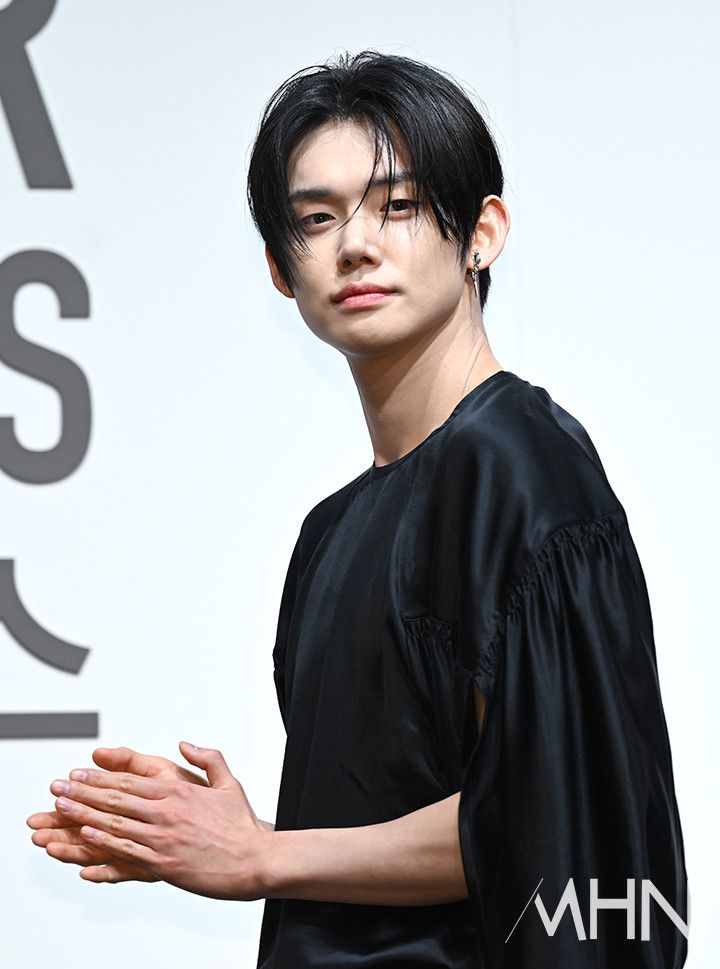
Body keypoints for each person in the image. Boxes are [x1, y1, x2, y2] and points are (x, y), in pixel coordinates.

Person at [26, 50, 689, 968]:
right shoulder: (328, 533)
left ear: (483, 232)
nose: (356, 244)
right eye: (317, 217)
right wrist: (225, 840)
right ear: (279, 268)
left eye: (399, 206)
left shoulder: (519, 466)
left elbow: (559, 815)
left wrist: (262, 854)